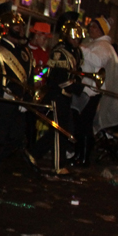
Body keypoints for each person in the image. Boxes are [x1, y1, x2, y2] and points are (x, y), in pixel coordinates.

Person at [0, 11, 35, 185]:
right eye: (16, 26)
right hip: (1, 103)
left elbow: (29, 78)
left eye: (21, 26)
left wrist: (27, 99)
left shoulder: (26, 52)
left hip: (19, 104)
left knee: (16, 139)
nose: (20, 29)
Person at [33, 20, 85, 174]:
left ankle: (34, 153)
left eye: (78, 38)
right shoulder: (60, 52)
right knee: (59, 131)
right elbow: (57, 78)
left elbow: (78, 71)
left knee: (61, 129)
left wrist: (79, 82)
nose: (76, 41)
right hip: (57, 95)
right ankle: (58, 165)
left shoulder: (77, 52)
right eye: (73, 38)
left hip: (67, 96)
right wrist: (76, 86)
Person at [72, 16, 117, 167]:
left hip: (92, 90)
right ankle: (79, 154)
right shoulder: (94, 44)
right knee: (81, 123)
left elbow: (98, 61)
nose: (91, 29)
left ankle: (84, 157)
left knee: (85, 123)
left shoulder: (104, 46)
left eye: (95, 27)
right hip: (85, 88)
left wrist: (81, 49)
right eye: (90, 26)